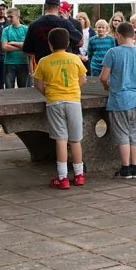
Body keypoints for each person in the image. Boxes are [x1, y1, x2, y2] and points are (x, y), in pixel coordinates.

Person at [33, 27, 88, 189]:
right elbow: (83, 79)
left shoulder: (44, 61)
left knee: (61, 140)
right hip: (73, 101)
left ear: (50, 44)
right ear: (68, 42)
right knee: (76, 140)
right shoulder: (75, 59)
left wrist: (49, 93)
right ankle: (79, 175)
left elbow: (38, 84)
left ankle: (62, 177)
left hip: (54, 102)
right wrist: (73, 90)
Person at [100, 22, 136, 179]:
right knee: (135, 133)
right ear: (133, 35)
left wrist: (107, 86)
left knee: (122, 134)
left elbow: (103, 77)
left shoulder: (113, 52)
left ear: (119, 35)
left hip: (119, 99)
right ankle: (135, 167)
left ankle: (125, 168)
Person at [22, 0, 83, 64]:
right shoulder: (65, 23)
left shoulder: (34, 25)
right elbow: (80, 42)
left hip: (43, 66)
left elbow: (26, 51)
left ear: (45, 6)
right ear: (58, 7)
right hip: (63, 65)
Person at [1, 7, 30, 88]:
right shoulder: (6, 30)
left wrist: (13, 43)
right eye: (8, 17)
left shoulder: (26, 29)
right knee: (9, 88)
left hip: (23, 62)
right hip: (9, 63)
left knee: (23, 88)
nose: (9, 19)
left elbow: (29, 46)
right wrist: (21, 46)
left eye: (11, 16)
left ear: (18, 16)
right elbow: (4, 47)